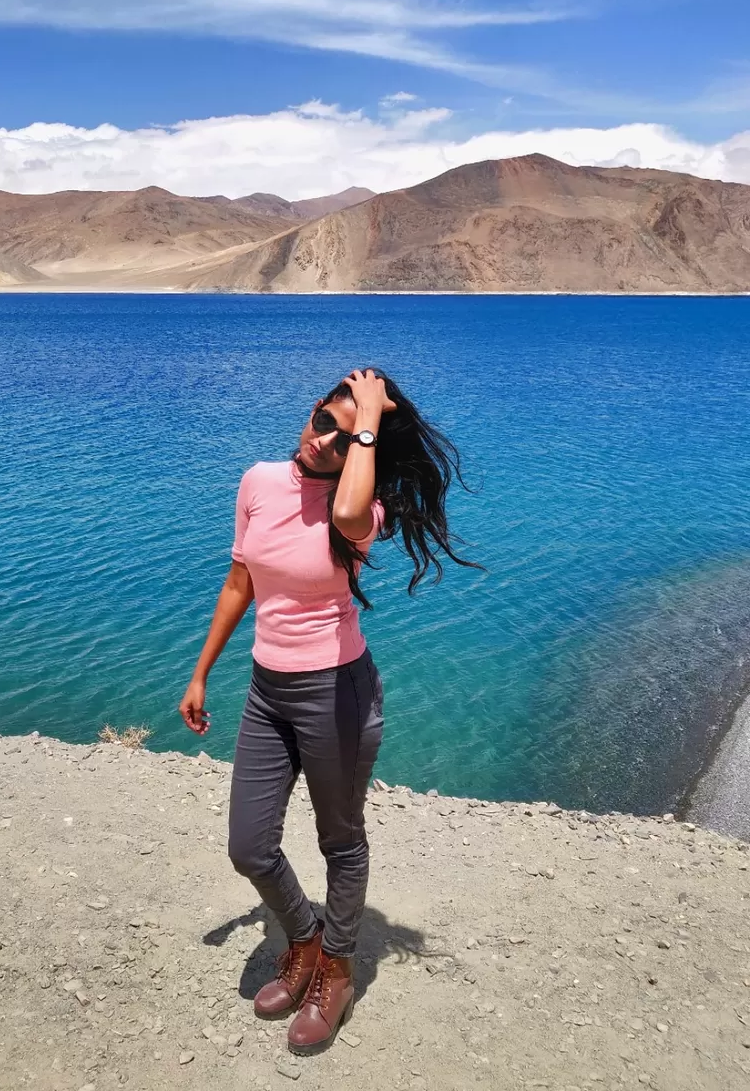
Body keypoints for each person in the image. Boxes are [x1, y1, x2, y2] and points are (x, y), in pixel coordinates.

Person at [179, 367, 479, 1056]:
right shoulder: (257, 481)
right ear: (310, 408)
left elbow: (345, 514)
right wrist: (199, 673)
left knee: (339, 841)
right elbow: (239, 580)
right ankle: (308, 941)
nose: (323, 442)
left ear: (364, 449)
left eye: (344, 440)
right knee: (249, 846)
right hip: (266, 688)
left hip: (335, 690)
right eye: (323, 420)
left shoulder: (363, 507)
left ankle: (336, 973)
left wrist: (366, 420)